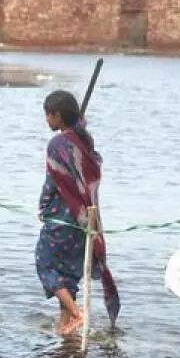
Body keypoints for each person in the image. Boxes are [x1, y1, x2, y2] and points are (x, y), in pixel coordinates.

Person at [34, 90, 119, 336]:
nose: (46, 121)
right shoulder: (84, 143)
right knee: (68, 273)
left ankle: (77, 313)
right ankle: (65, 328)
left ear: (58, 116)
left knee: (46, 264)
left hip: (61, 218)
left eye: (48, 115)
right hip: (83, 221)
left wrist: (43, 207)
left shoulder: (58, 145)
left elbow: (53, 180)